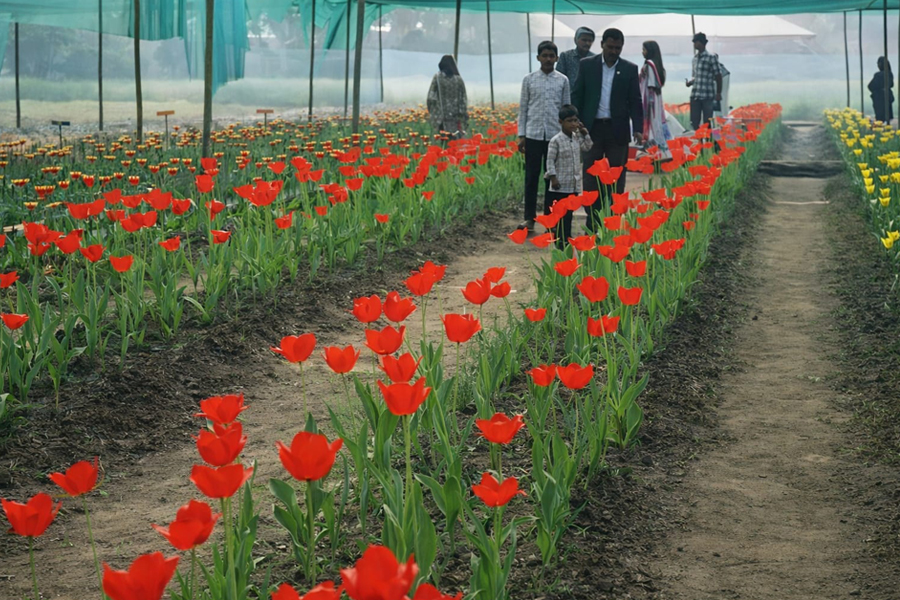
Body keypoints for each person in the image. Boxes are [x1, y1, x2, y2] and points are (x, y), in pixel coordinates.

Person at [571, 27, 643, 232]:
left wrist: (638, 127)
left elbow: (636, 101)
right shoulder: (587, 66)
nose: (614, 51)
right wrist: (575, 120)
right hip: (591, 128)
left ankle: (611, 219)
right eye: (610, 47)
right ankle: (592, 220)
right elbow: (577, 94)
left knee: (615, 175)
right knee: (591, 174)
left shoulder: (629, 69)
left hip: (617, 130)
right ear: (602, 44)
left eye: (618, 48)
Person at [517, 41, 571, 231]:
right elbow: (523, 108)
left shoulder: (563, 80)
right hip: (532, 135)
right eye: (545, 55)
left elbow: (566, 110)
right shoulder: (529, 80)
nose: (548, 59)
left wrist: (567, 136)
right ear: (538, 57)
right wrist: (521, 135)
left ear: (556, 58)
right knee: (531, 177)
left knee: (552, 179)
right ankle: (529, 218)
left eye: (551, 56)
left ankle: (550, 220)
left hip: (554, 138)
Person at [545, 105, 593, 247]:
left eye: (575, 120)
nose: (573, 124)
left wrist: (585, 133)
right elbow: (550, 160)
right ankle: (560, 238)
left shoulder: (577, 138)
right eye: (569, 121)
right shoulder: (556, 140)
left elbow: (588, 147)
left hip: (573, 184)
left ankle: (566, 236)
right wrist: (553, 177)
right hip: (560, 185)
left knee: (569, 214)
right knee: (560, 214)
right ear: (561, 122)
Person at [639, 40, 672, 157]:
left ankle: (655, 151)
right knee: (656, 123)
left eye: (644, 49)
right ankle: (661, 151)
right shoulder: (657, 65)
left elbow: (651, 84)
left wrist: (648, 104)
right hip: (656, 100)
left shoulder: (649, 65)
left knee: (652, 124)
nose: (642, 52)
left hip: (650, 100)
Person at [685, 32, 722, 131]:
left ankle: (710, 143)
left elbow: (718, 76)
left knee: (707, 122)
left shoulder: (711, 57)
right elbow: (696, 77)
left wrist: (718, 93)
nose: (694, 44)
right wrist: (690, 83)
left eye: (696, 42)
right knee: (694, 122)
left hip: (707, 95)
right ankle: (699, 144)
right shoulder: (695, 59)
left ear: (702, 43)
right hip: (695, 94)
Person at [426, 55, 469, 137]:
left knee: (444, 143)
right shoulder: (459, 80)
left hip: (441, 119)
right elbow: (463, 100)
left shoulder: (437, 78)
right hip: (456, 120)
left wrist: (434, 114)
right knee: (455, 143)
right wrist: (462, 116)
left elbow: (431, 97)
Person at [868, 56, 894, 123]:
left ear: (881, 64)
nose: (877, 66)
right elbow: (892, 84)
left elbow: (870, 86)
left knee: (880, 118)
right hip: (887, 98)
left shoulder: (878, 75)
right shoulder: (890, 73)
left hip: (879, 99)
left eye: (878, 64)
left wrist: (877, 91)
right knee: (887, 117)